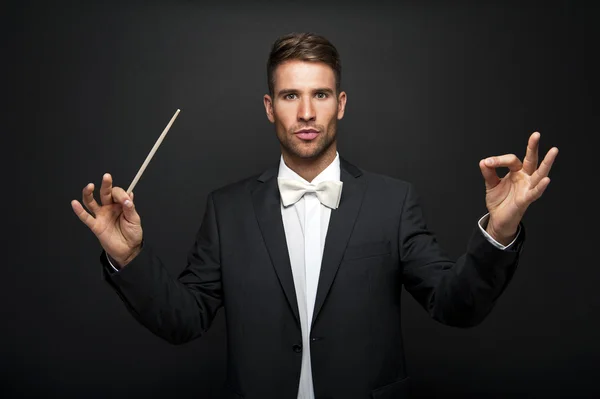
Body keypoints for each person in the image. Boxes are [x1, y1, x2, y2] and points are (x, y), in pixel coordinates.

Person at [71, 32, 558, 399]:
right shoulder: (228, 210)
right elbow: (185, 320)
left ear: (340, 104)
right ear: (269, 107)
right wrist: (129, 257)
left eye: (320, 94)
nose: (306, 112)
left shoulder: (394, 202)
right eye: (289, 96)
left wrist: (499, 229)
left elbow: (455, 306)